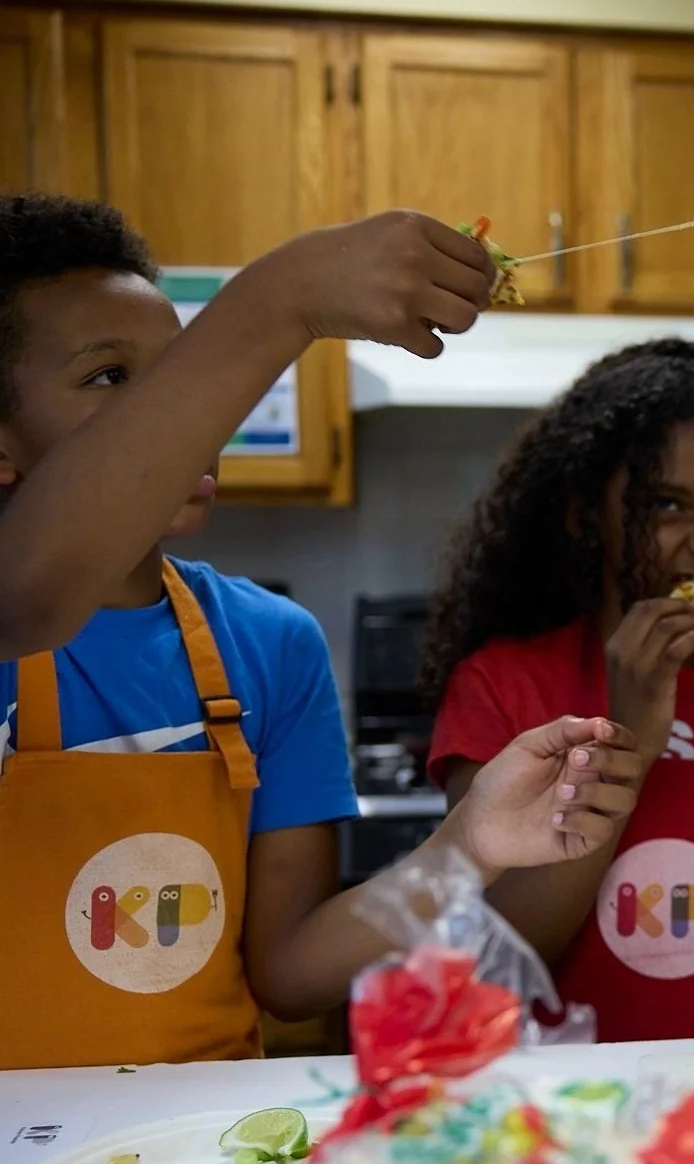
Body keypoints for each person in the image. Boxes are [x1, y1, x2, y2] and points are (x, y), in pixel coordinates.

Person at [0, 194, 642, 1070]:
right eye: (113, 377)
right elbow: (25, 593)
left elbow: (293, 976)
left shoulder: (271, 644)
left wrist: (469, 846)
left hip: (193, 1160)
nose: (191, 412)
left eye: (186, 372)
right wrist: (282, 298)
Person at [423, 338, 694, 1043]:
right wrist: (628, 744)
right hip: (566, 1102)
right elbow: (493, 963)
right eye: (668, 505)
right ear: (584, 514)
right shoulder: (501, 684)